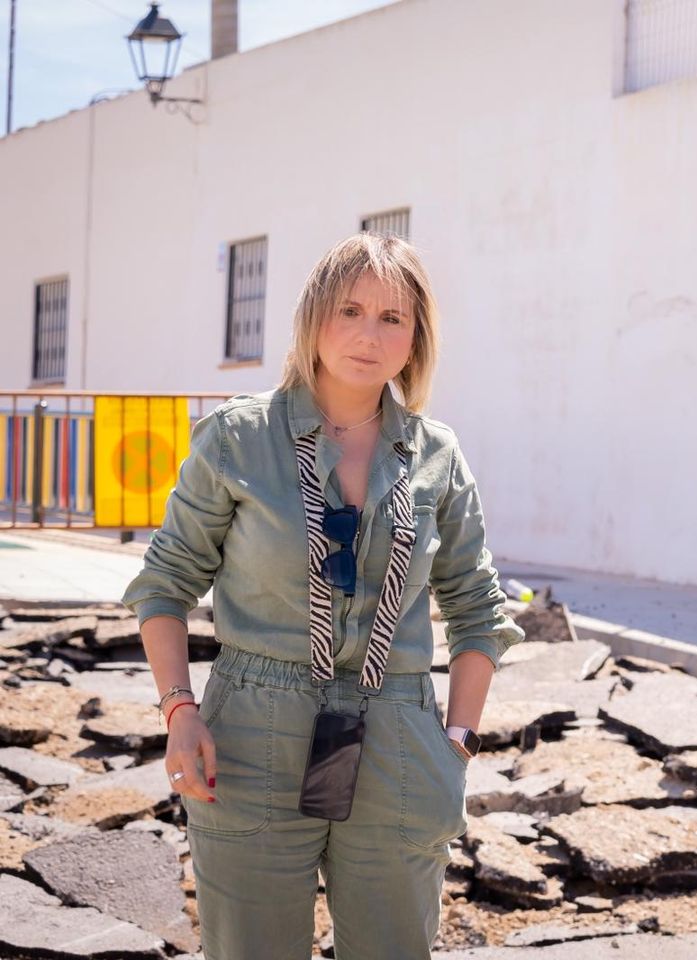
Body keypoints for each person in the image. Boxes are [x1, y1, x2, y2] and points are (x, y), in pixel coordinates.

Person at [123, 233, 523, 959]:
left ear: (415, 338)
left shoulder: (437, 455)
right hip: (252, 728)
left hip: (399, 732)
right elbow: (165, 583)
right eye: (349, 310)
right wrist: (179, 712)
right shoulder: (238, 440)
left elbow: (478, 609)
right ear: (314, 317)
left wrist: (456, 743)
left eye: (392, 318)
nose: (368, 335)